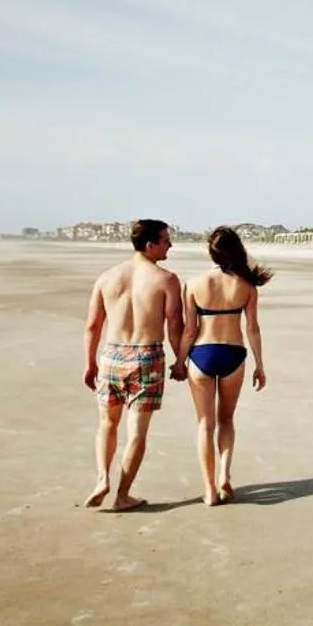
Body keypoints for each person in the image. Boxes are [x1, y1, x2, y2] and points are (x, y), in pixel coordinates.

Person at [83, 218, 188, 512]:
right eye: (166, 240)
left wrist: (89, 363)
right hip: (146, 356)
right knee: (137, 433)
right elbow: (174, 326)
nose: (170, 245)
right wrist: (181, 360)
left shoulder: (107, 278)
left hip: (111, 356)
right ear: (150, 244)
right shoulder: (166, 280)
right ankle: (122, 495)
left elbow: (92, 326)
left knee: (107, 423)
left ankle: (102, 478)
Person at [178, 224, 272, 506]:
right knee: (227, 419)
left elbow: (189, 331)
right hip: (234, 354)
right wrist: (259, 364)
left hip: (202, 355)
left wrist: (180, 362)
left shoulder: (193, 284)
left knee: (205, 423)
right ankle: (224, 476)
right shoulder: (246, 286)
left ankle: (208, 490)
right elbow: (253, 328)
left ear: (212, 253)